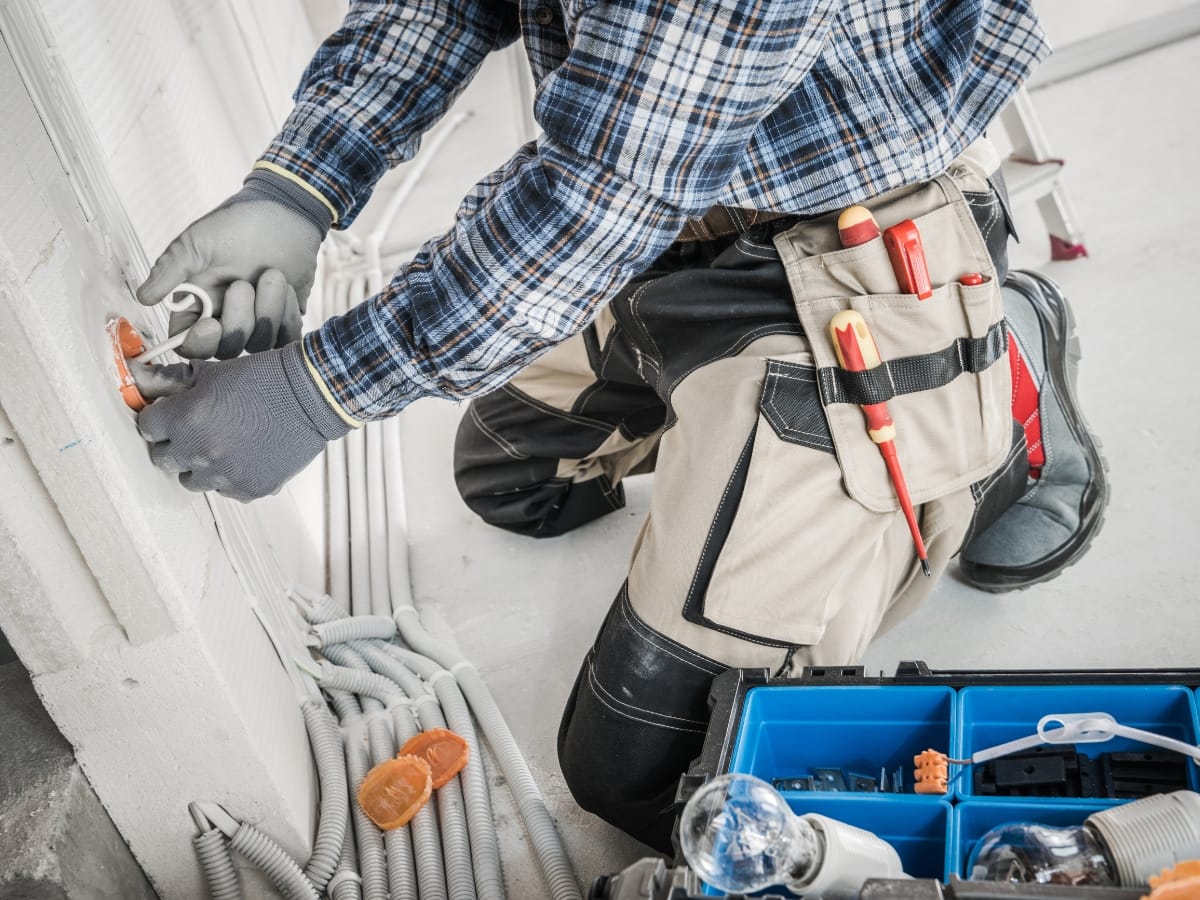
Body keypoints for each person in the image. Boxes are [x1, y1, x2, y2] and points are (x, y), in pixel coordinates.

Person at [134, 0, 1107, 851]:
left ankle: (991, 379)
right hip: (675, 232)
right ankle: (756, 436)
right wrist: (298, 188)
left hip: (848, 244)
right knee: (512, 482)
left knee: (659, 778)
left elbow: (601, 194)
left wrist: (316, 392)